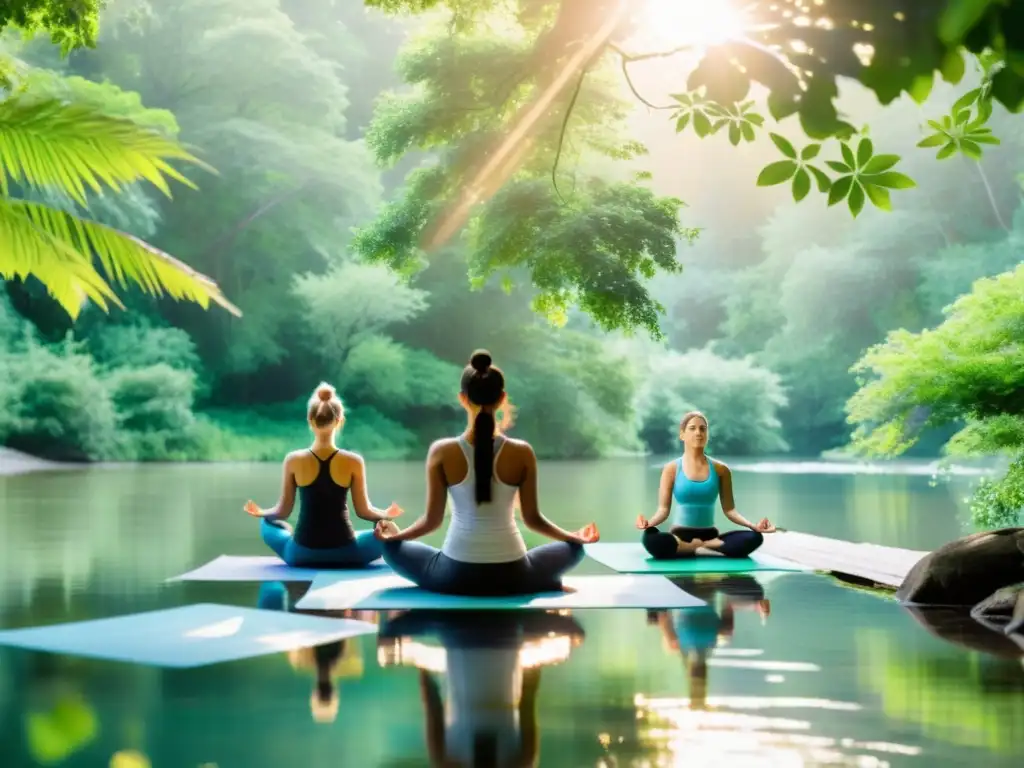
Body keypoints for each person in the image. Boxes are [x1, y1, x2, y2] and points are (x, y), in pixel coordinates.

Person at [373, 349, 599, 596]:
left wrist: (396, 538)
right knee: (575, 549)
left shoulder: (442, 451)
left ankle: (529, 581)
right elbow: (532, 518)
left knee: (390, 549)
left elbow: (432, 521)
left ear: (462, 398)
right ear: (502, 398)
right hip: (514, 574)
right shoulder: (522, 452)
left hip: (453, 576)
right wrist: (573, 537)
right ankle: (537, 582)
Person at [377, 610, 586, 768]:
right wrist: (416, 658)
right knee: (390, 633)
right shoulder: (447, 762)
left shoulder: (521, 761)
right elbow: (432, 701)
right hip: (454, 632)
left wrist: (537, 639)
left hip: (508, 633)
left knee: (573, 633)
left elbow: (529, 695)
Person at [243, 382, 403, 568]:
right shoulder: (353, 461)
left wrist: (261, 512)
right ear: (340, 421)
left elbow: (283, 511)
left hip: (300, 554)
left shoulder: (293, 460)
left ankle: (287, 533)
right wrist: (386, 515)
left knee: (266, 524)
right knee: (387, 530)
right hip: (347, 553)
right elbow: (364, 511)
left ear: (310, 421)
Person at [637, 410, 775, 559]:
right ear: (682, 434)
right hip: (679, 536)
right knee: (650, 537)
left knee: (755, 537)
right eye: (692, 428)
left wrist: (753, 526)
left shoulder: (721, 469)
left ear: (707, 435)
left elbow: (730, 511)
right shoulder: (671, 468)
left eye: (703, 429)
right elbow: (663, 510)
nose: (698, 433)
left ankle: (699, 547)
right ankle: (694, 547)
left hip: (711, 537)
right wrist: (648, 523)